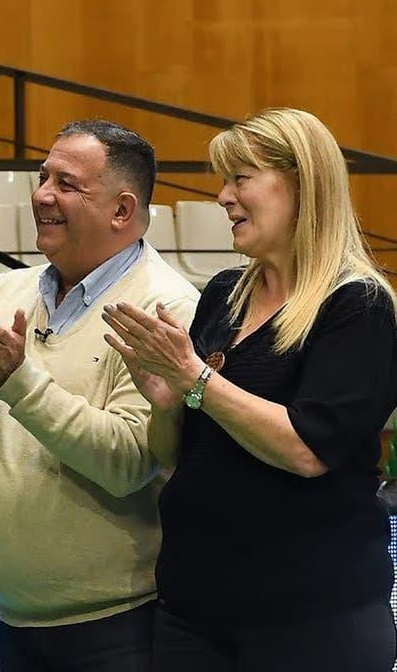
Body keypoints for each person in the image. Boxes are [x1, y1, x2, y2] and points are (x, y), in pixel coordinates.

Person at [0, 120, 199, 672]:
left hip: (119, 626)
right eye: (41, 177)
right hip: (11, 620)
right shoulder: (9, 291)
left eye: (66, 183)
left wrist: (18, 381)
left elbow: (130, 460)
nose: (41, 196)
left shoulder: (165, 309)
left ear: (122, 211)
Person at [103, 108, 397, 671]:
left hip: (312, 621)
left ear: (301, 184)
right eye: (223, 179)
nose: (221, 196)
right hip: (194, 610)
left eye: (240, 178)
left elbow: (308, 450)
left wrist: (194, 379)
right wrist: (167, 405)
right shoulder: (222, 295)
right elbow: (174, 454)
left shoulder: (358, 305)